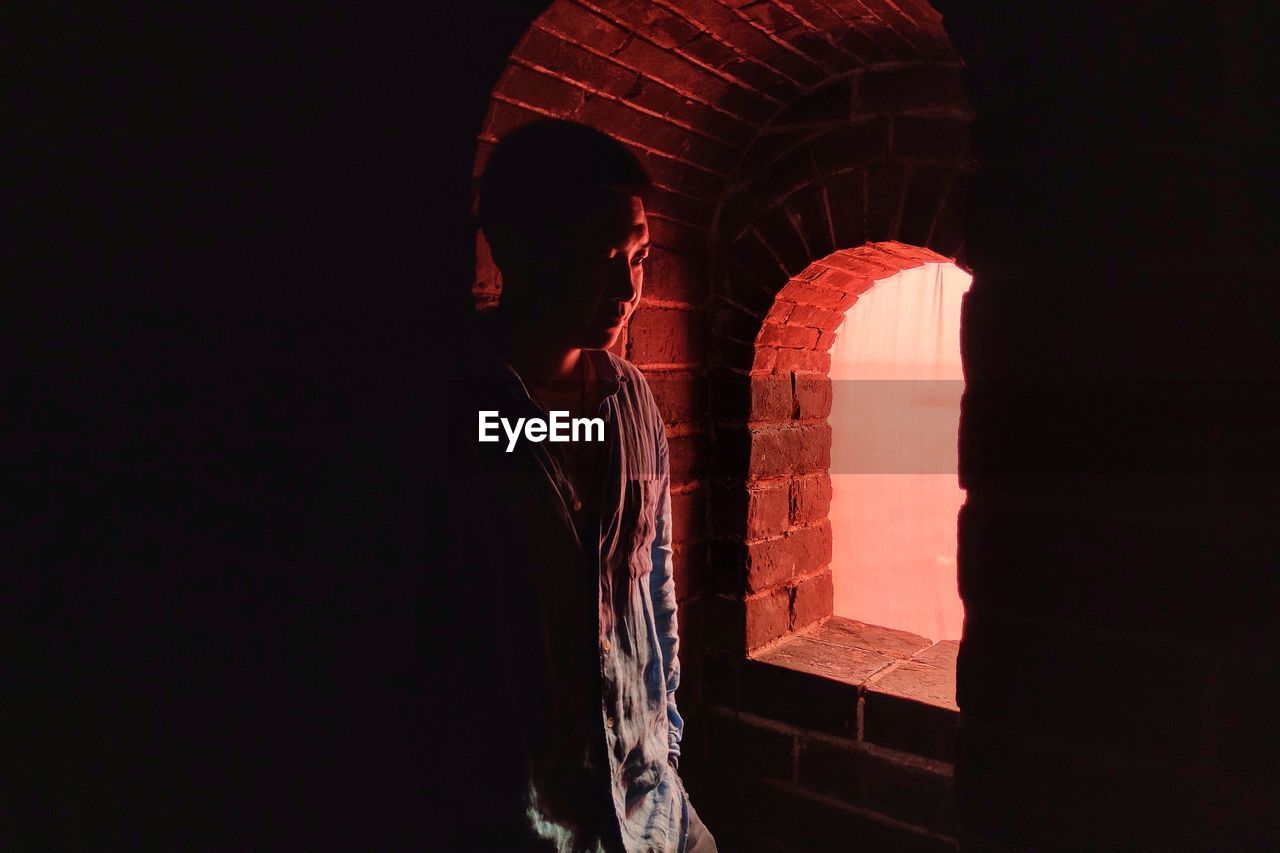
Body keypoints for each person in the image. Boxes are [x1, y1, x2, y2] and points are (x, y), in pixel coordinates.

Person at [433, 119, 717, 852]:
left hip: (650, 807)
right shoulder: (446, 413)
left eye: (641, 256)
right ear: (518, 246)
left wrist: (666, 742)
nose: (629, 287)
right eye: (601, 257)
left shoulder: (631, 401)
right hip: (519, 821)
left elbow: (651, 580)